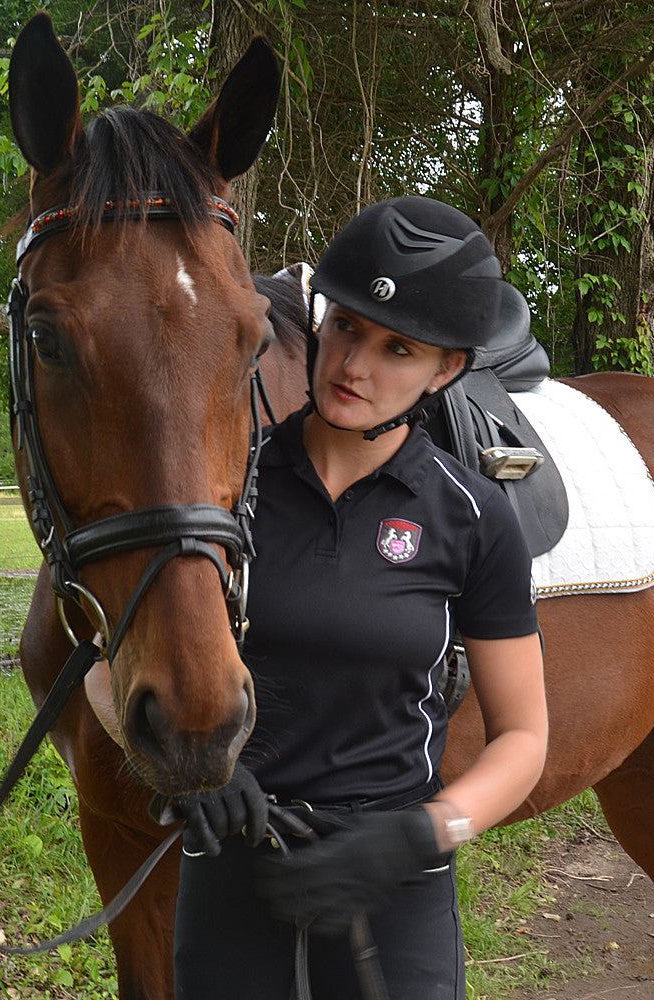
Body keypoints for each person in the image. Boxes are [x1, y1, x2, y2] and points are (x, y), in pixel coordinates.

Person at [172, 196, 549, 999]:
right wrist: (188, 771)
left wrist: (423, 832)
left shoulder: (473, 518)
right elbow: (108, 661)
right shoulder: (227, 488)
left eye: (398, 348)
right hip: (235, 851)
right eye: (345, 327)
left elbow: (524, 736)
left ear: (445, 369)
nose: (354, 365)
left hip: (392, 874)